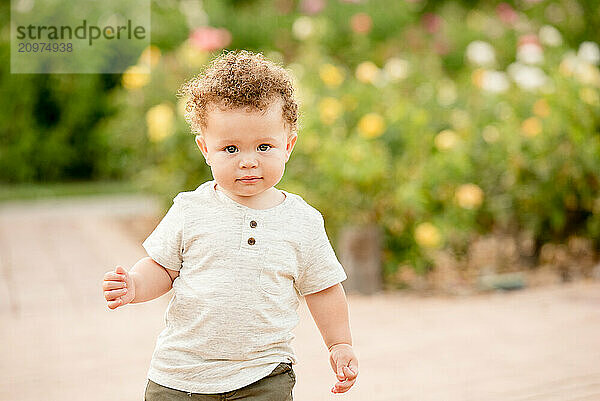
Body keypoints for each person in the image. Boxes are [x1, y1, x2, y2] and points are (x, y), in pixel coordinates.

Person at [102, 49, 358, 400]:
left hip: (264, 375)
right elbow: (162, 268)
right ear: (205, 149)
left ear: (289, 145)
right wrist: (134, 285)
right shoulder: (190, 209)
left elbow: (323, 288)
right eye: (231, 149)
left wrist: (339, 343)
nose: (248, 162)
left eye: (264, 147)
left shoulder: (303, 222)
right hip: (181, 376)